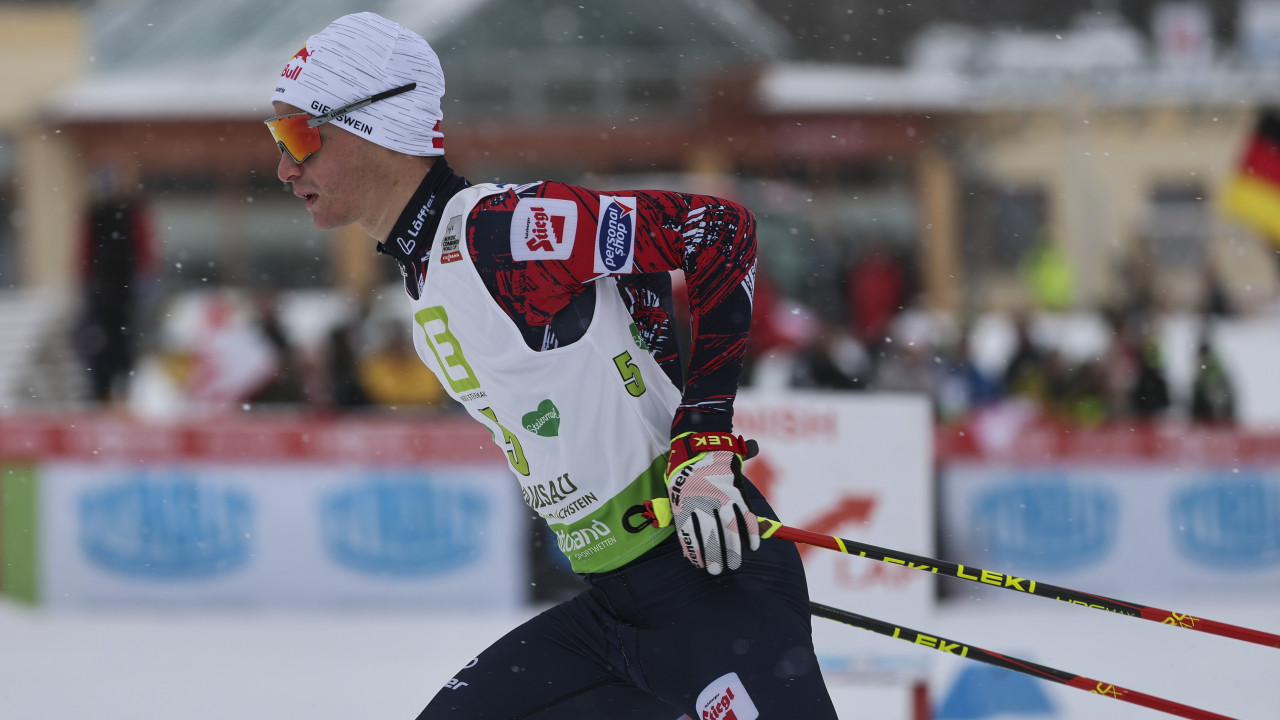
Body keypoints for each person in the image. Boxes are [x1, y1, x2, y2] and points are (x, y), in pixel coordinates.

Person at [265, 13, 837, 719]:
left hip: (709, 591)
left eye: (299, 136)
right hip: (614, 612)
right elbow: (637, 294)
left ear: (375, 125)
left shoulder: (500, 233)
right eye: (278, 139)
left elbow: (718, 232)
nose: (285, 167)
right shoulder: (428, 274)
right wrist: (662, 395)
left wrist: (703, 441)